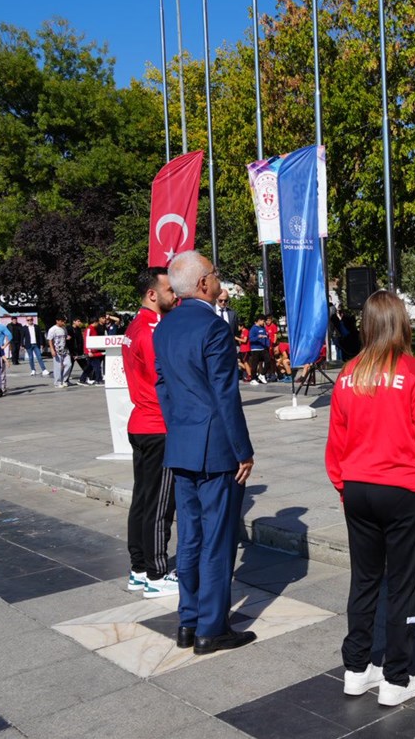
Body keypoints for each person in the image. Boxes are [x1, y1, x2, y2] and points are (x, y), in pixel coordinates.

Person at [325, 290, 415, 707]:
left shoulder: (348, 374)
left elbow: (336, 440)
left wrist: (343, 485)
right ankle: (397, 677)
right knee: (403, 586)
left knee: (363, 580)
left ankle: (356, 669)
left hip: (357, 489)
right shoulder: (413, 372)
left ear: (366, 325)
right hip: (403, 490)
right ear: (400, 324)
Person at [153, 251, 256, 656]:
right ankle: (211, 628)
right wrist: (243, 450)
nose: (218, 281)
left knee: (190, 537)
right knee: (216, 538)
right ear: (202, 284)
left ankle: (189, 620)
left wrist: (179, 428)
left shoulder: (165, 326)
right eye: (214, 274)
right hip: (214, 447)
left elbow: (163, 387)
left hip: (182, 443)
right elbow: (225, 394)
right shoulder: (213, 327)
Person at [124, 267, 181, 599]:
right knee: (160, 503)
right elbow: (167, 378)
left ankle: (139, 568)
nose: (175, 295)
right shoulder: (151, 331)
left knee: (143, 500)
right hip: (158, 425)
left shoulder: (135, 326)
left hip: (141, 423)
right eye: (170, 290)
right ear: (152, 294)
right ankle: (157, 573)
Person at [47, 318, 72, 388]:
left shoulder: (64, 328)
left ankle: (64, 380)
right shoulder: (52, 329)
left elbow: (65, 336)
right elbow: (50, 340)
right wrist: (52, 350)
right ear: (57, 321)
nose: (63, 323)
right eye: (62, 321)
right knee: (57, 367)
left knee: (69, 364)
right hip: (57, 350)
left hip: (65, 349)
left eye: (64, 321)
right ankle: (57, 383)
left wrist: (67, 337)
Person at [247, 317, 270, 385]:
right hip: (255, 349)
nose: (264, 322)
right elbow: (251, 339)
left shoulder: (263, 328)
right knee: (255, 364)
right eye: (263, 321)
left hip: (263, 348)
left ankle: (262, 375)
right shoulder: (253, 328)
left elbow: (266, 337)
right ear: (259, 320)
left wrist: (268, 345)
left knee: (268, 361)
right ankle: (253, 379)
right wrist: (258, 337)